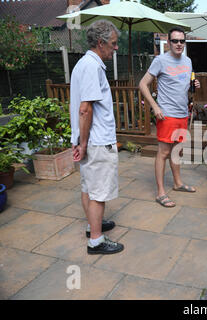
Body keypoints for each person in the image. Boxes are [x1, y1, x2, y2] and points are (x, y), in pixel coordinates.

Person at [70, 20, 124, 255]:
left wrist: (80, 142)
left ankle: (94, 225)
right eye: (113, 44)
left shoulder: (83, 64)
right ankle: (96, 240)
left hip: (88, 140)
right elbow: (85, 109)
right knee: (99, 193)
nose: (116, 48)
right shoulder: (92, 67)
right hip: (97, 141)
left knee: (88, 188)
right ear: (101, 43)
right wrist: (84, 144)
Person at [139, 27, 199, 208]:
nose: (179, 44)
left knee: (177, 151)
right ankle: (160, 192)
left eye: (182, 41)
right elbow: (143, 84)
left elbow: (182, 86)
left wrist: (192, 84)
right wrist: (155, 106)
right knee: (164, 152)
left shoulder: (187, 61)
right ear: (169, 42)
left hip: (182, 113)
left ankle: (178, 183)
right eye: (175, 41)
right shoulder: (160, 60)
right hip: (167, 114)